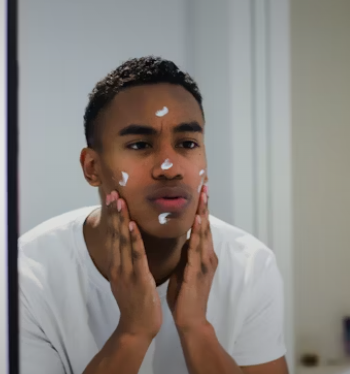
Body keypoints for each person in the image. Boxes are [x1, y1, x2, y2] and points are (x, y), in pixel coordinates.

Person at [19, 56, 289, 374]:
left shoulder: (250, 265)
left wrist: (197, 328)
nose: (169, 168)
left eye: (187, 143)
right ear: (92, 167)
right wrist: (133, 332)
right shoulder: (26, 277)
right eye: (140, 145)